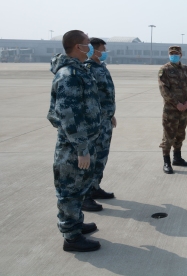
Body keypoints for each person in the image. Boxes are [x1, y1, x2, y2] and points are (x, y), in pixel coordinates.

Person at [48, 30, 102, 252]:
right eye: (87, 43)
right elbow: (69, 115)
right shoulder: (69, 75)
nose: (90, 47)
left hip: (82, 142)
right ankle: (71, 237)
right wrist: (81, 148)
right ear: (77, 47)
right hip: (73, 146)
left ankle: (76, 224)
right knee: (69, 190)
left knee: (79, 187)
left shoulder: (79, 71)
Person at [81, 38, 117, 213]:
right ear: (93, 50)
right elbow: (90, 97)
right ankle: (85, 196)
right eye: (102, 50)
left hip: (105, 119)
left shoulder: (101, 67)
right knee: (93, 158)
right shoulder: (88, 69)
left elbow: (105, 95)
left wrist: (111, 115)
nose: (104, 53)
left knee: (102, 156)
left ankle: (95, 187)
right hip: (94, 123)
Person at [158, 46, 187, 173]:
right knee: (169, 135)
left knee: (180, 134)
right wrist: (176, 103)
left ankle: (177, 158)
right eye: (171, 53)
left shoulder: (186, 69)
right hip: (171, 110)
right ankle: (166, 162)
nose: (174, 55)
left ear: (181, 54)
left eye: (176, 53)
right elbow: (164, 90)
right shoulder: (165, 70)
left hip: (184, 109)